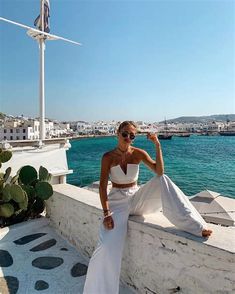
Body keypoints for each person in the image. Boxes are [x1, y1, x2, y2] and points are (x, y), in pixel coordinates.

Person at [83, 120, 212, 294]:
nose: (128, 138)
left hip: (135, 198)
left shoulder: (138, 153)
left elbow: (159, 172)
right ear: (117, 133)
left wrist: (157, 145)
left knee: (163, 180)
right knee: (106, 246)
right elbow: (102, 186)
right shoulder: (108, 157)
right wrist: (106, 213)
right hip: (116, 204)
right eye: (125, 134)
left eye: (132, 136)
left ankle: (196, 226)